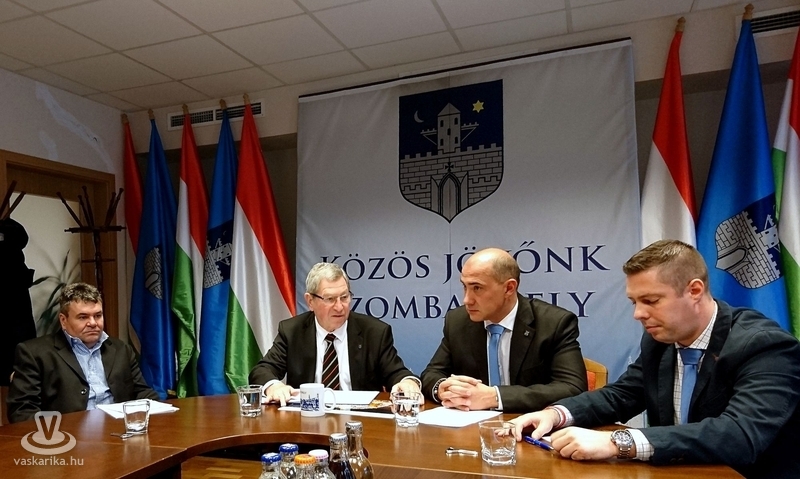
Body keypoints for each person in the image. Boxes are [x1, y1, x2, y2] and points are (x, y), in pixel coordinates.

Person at [509, 240, 800, 479]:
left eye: (651, 301)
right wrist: (556, 414)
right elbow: (622, 395)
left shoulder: (764, 346)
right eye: (634, 302)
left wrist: (618, 443)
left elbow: (740, 435)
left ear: (694, 291)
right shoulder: (660, 340)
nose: (638, 314)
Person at [420, 247, 587, 413]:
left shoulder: (554, 323)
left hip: (530, 422)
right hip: (472, 425)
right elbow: (432, 373)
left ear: (509, 288)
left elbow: (572, 387)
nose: (467, 300)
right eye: (465, 287)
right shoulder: (457, 321)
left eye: (477, 288)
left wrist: (494, 397)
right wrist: (443, 388)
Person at [249, 263, 420, 405]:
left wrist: (407, 382)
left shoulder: (374, 332)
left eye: (344, 297)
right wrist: (274, 386)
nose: (339, 307)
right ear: (310, 301)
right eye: (330, 299)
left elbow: (396, 373)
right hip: (307, 419)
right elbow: (262, 370)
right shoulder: (292, 331)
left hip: (361, 421)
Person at [7, 282, 158, 423]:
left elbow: (142, 393)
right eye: (83, 317)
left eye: (98, 315)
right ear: (63, 320)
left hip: (120, 430)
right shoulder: (34, 353)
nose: (93, 323)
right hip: (68, 435)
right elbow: (22, 411)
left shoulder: (120, 349)